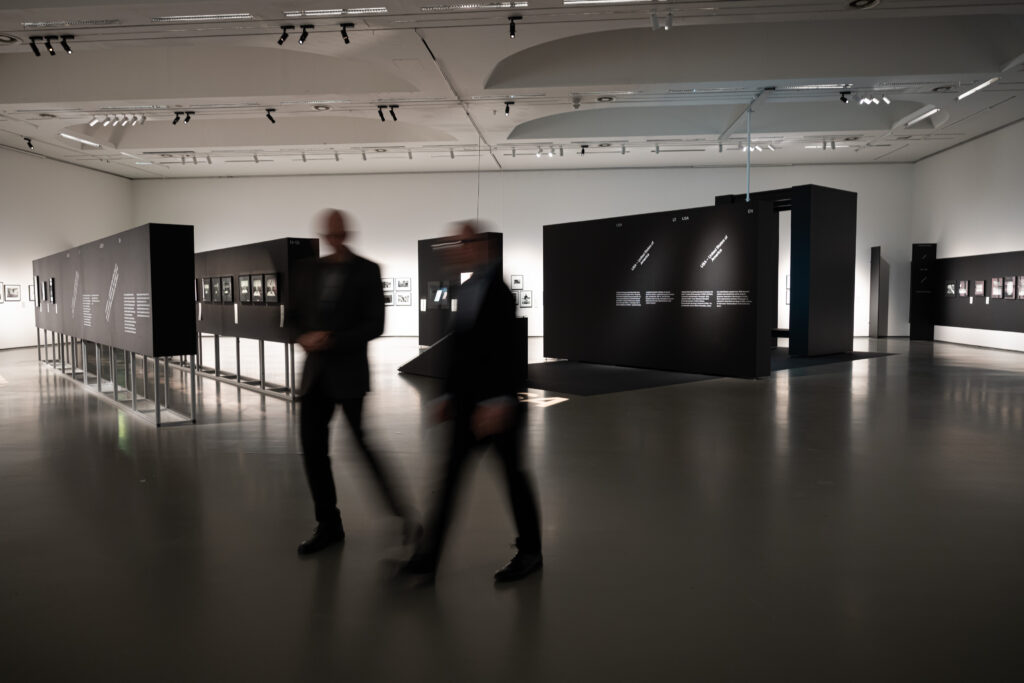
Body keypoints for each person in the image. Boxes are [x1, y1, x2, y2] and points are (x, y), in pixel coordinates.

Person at [402, 222, 543, 582]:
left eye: (464, 242)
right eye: (456, 243)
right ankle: (428, 557)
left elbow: (507, 353)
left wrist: (497, 402)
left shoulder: (500, 293)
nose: (458, 249)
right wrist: (448, 395)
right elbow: (460, 350)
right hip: (468, 406)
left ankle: (531, 553)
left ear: (483, 246)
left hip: (498, 410)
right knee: (449, 480)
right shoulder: (466, 291)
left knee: (513, 478)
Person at [294, 209, 418, 555]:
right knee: (313, 451)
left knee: (363, 448)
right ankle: (329, 525)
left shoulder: (367, 270)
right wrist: (303, 336)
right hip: (315, 377)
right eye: (329, 233)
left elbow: (375, 324)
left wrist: (331, 339)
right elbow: (292, 318)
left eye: (339, 232)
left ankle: (403, 516)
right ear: (323, 234)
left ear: (347, 233)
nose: (334, 238)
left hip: (348, 374)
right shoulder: (307, 271)